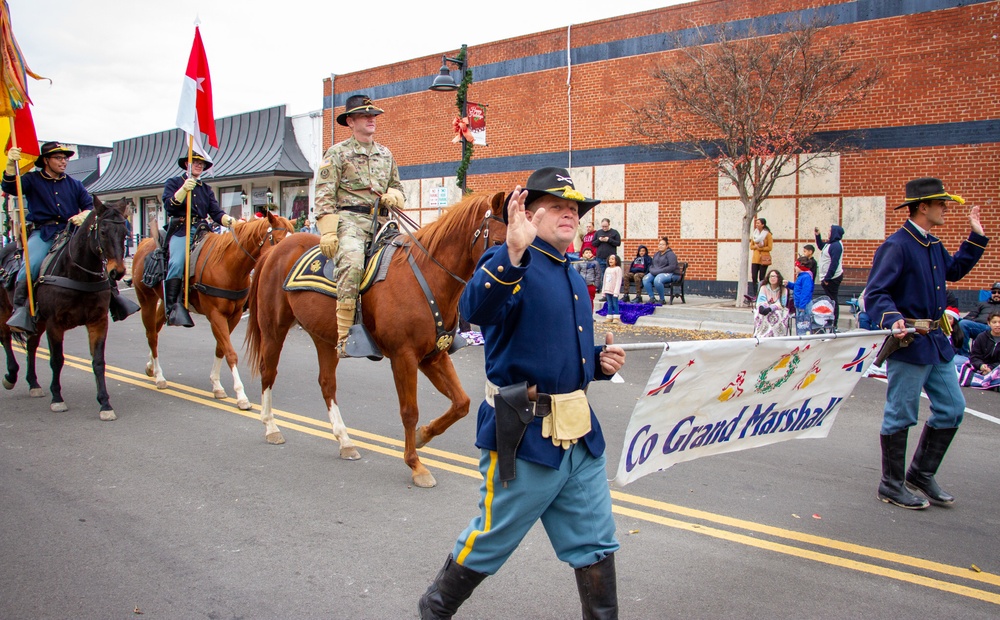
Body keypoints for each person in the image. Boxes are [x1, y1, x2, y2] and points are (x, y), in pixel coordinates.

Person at [419, 166, 626, 619]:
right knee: (491, 540)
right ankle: (433, 609)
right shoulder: (511, 261)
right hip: (526, 434)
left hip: (579, 437)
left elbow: (550, 347)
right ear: (528, 216)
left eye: (574, 208)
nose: (569, 214)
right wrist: (513, 251)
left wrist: (598, 363)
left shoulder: (571, 271)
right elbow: (478, 308)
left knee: (596, 542)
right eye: (556, 207)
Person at [864, 177, 987, 510]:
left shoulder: (931, 244)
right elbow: (875, 293)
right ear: (923, 207)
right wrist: (891, 318)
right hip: (910, 343)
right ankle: (891, 484)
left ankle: (919, 473)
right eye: (941, 204)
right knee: (900, 414)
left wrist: (975, 236)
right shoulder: (897, 245)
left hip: (936, 343)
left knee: (952, 409)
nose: (945, 209)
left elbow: (955, 271)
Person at [314, 94, 404, 357]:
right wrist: (329, 231)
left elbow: (397, 186)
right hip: (350, 223)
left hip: (383, 222)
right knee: (353, 265)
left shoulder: (385, 154)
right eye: (365, 115)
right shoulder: (337, 153)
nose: (371, 119)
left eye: (373, 115)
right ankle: (345, 337)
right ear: (351, 121)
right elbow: (324, 194)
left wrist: (394, 196)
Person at [3, 142, 93, 334]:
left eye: (65, 158)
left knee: (97, 259)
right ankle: (21, 310)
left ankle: (113, 299)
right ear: (46, 160)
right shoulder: (31, 180)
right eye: (59, 158)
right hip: (44, 233)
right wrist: (11, 166)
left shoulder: (74, 184)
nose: (64, 162)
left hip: (71, 233)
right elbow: (10, 187)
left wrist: (83, 215)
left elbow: (90, 206)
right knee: (32, 265)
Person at [162, 152, 238, 328]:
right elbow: (169, 206)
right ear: (186, 164)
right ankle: (172, 307)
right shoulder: (174, 183)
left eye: (201, 163)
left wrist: (232, 222)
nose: (198, 165)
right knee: (177, 262)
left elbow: (216, 213)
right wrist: (183, 190)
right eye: (194, 162)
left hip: (203, 230)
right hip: (182, 230)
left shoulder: (206, 189)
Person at [814, 224, 845, 330]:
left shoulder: (836, 245)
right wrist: (818, 236)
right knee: (831, 299)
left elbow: (834, 263)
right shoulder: (830, 244)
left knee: (833, 300)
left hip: (832, 278)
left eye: (830, 231)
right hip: (826, 277)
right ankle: (830, 319)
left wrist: (828, 278)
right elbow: (821, 247)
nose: (828, 232)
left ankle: (833, 322)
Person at [958, 282, 1000, 349]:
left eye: (999, 292)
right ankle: (964, 355)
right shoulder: (982, 304)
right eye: (994, 292)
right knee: (961, 323)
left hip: (997, 327)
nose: (996, 294)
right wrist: (976, 321)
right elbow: (968, 317)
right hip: (980, 327)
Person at [642, 236, 681, 306]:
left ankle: (662, 299)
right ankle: (652, 298)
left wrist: (658, 271)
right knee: (646, 279)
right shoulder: (656, 254)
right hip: (658, 273)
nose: (660, 246)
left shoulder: (671, 254)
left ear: (667, 246)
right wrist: (652, 271)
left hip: (672, 273)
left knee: (658, 280)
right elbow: (651, 265)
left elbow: (672, 267)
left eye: (663, 244)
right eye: (659, 244)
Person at [753, 268, 790, 338]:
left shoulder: (783, 289)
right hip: (765, 307)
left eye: (774, 276)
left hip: (778, 308)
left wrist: (771, 308)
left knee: (777, 314)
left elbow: (782, 303)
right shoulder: (763, 288)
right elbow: (761, 300)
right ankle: (762, 334)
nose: (772, 278)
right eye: (771, 276)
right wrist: (763, 307)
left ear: (778, 278)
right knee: (760, 314)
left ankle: (777, 335)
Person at [591, 217, 620, 282]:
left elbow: (618, 243)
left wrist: (608, 240)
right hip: (600, 257)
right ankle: (601, 288)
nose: (604, 228)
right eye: (603, 226)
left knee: (610, 274)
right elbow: (593, 243)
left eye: (606, 226)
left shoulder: (614, 232)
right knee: (600, 274)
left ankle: (609, 287)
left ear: (609, 224)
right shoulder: (598, 232)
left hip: (611, 257)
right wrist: (599, 240)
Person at [749, 218, 773, 293]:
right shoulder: (754, 234)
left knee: (762, 277)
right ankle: (755, 293)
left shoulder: (768, 234)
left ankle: (762, 292)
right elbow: (751, 246)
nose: (757, 224)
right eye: (756, 223)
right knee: (754, 277)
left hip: (764, 259)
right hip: (755, 259)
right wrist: (756, 247)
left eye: (758, 223)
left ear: (763, 224)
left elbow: (770, 247)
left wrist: (761, 248)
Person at [792, 258, 814, 335]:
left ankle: (804, 338)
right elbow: (797, 287)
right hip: (799, 305)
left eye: (796, 266)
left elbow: (805, 292)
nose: (795, 268)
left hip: (804, 306)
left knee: (804, 325)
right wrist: (788, 284)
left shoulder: (806, 277)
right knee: (800, 324)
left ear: (801, 267)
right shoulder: (801, 276)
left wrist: (802, 306)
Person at [601, 254, 623, 322]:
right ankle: (609, 316)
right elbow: (604, 280)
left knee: (615, 303)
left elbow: (618, 280)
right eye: (610, 259)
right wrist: (603, 290)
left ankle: (616, 316)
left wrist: (616, 291)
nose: (611, 260)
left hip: (614, 290)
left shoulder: (618, 269)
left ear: (616, 261)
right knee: (609, 303)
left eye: (613, 259)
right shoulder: (607, 269)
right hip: (607, 289)